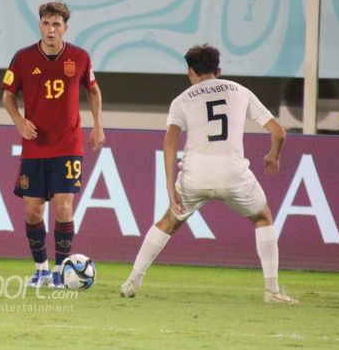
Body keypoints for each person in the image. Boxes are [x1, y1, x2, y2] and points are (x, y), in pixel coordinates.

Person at [119, 44, 297, 304]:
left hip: (195, 174)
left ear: (190, 71)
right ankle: (272, 291)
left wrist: (170, 185)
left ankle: (132, 281)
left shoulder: (182, 99)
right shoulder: (240, 91)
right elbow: (279, 132)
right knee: (262, 217)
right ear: (219, 70)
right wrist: (273, 157)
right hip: (233, 173)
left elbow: (170, 139)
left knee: (168, 222)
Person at [2, 1, 105, 288]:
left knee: (63, 207)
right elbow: (8, 96)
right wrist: (19, 121)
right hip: (34, 146)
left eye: (56, 24)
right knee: (33, 211)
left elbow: (93, 90)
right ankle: (40, 269)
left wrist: (98, 123)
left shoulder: (80, 57)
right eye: (46, 23)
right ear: (40, 26)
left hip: (68, 145)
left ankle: (61, 270)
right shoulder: (22, 58)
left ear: (65, 28)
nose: (51, 29)